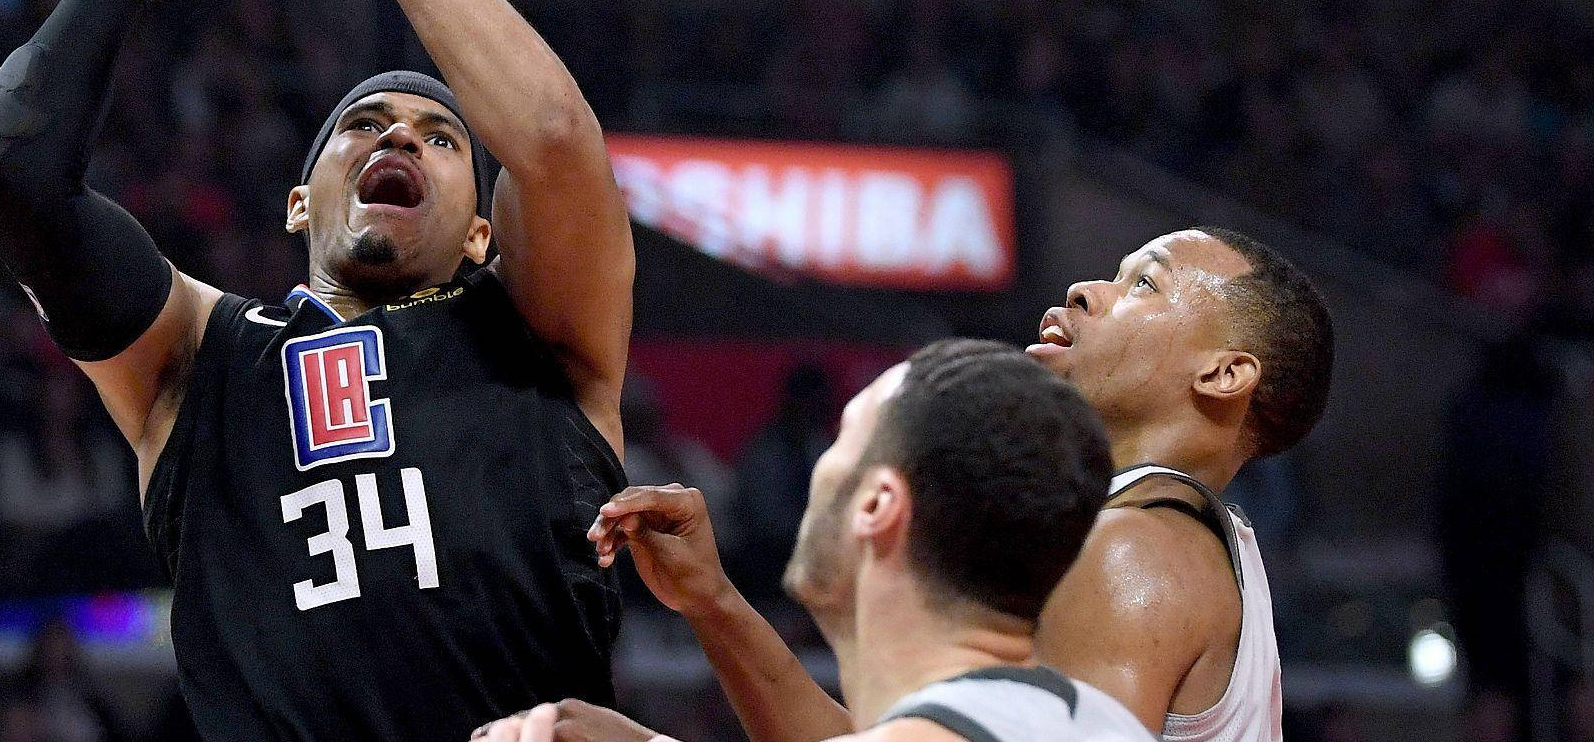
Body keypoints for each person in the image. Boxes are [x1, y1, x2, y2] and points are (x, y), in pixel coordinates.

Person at [0, 0, 633, 741]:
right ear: (300, 199)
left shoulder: (539, 343)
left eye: (442, 138)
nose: (397, 134)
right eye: (361, 124)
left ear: (487, 236)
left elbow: (547, 132)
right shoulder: (199, 359)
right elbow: (9, 172)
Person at [541, 228, 1331, 742]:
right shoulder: (1167, 539)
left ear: (1224, 374)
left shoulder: (1133, 552)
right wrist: (713, 603)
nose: (1089, 291)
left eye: (1145, 284)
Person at [481, 340, 1153, 742]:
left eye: (843, 443)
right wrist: (713, 600)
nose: (820, 467)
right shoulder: (1100, 721)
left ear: (878, 503)